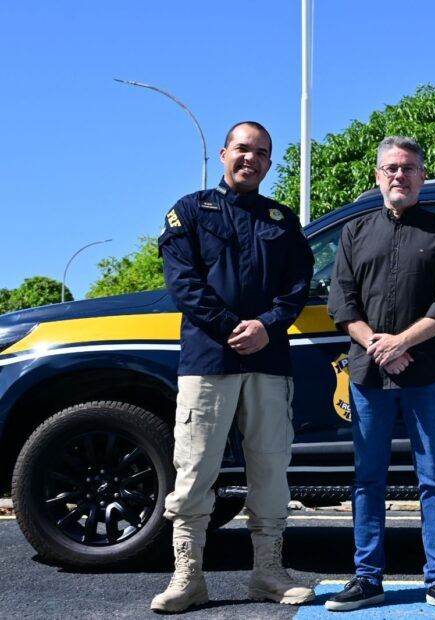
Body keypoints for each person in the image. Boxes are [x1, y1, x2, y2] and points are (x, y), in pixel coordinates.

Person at [152, 121, 316, 613]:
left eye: (261, 153)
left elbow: (297, 286)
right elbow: (184, 283)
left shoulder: (283, 221)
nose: (251, 159)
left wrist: (267, 324)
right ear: (224, 153)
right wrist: (230, 325)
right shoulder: (190, 211)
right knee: (196, 469)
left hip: (268, 361)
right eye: (243, 149)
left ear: (269, 162)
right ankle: (188, 577)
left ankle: (267, 574)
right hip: (208, 360)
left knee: (270, 468)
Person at [324, 136, 435, 615]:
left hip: (426, 373)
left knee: (434, 479)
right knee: (368, 479)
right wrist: (378, 345)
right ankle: (367, 578)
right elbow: (341, 303)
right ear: (377, 176)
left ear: (422, 176)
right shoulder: (354, 232)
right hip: (368, 374)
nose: (398, 176)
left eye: (408, 168)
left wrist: (401, 343)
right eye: (390, 168)